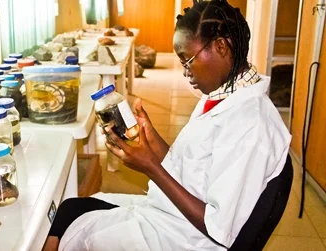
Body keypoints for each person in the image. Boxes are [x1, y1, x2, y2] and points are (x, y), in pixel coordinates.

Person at [43, 0, 291, 250]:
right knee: (70, 210)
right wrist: (149, 138)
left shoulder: (251, 126)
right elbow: (189, 166)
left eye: (188, 60)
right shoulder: (222, 94)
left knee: (77, 234)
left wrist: (150, 167)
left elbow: (220, 227)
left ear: (221, 46)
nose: (186, 72)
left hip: (190, 239)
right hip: (174, 214)